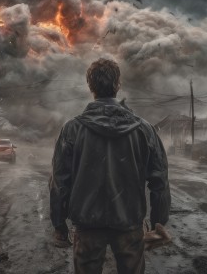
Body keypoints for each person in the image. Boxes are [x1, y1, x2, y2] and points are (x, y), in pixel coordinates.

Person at [49, 58, 171, 274]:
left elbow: (60, 181)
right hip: (130, 226)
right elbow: (159, 180)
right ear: (118, 85)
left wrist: (59, 225)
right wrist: (158, 223)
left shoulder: (72, 130)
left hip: (87, 227)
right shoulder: (144, 130)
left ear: (90, 87)